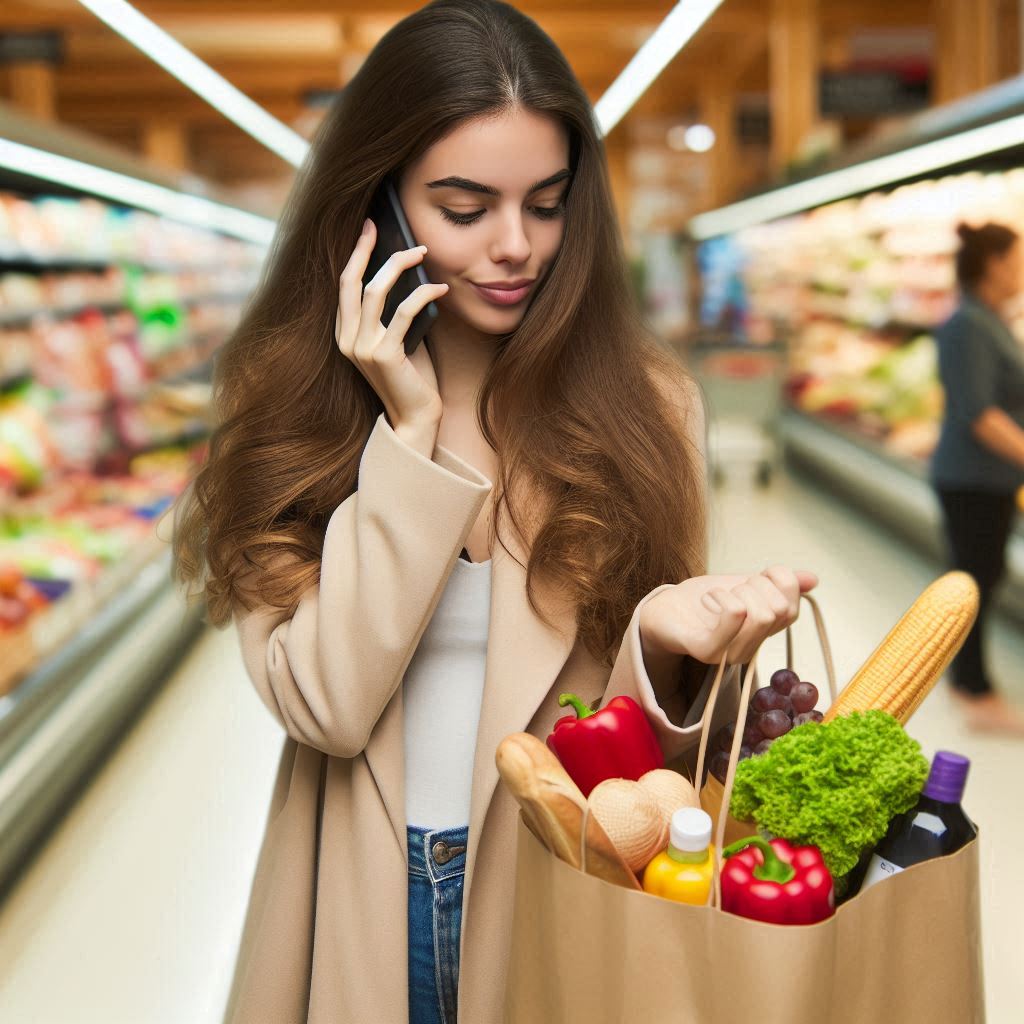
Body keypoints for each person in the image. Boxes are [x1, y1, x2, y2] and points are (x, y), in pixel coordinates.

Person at [170, 2, 817, 1021]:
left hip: (556, 881)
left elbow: (650, 765)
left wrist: (659, 641)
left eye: (546, 203)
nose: (516, 246)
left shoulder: (643, 406)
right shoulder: (288, 406)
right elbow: (327, 707)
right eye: (463, 208)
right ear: (375, 204)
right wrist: (408, 431)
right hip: (358, 890)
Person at [931, 220, 1024, 735]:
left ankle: (967, 683)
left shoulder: (986, 319)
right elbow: (980, 413)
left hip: (987, 477)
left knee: (982, 576)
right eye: (1018, 258)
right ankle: (974, 691)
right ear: (994, 264)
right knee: (973, 581)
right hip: (971, 478)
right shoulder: (968, 324)